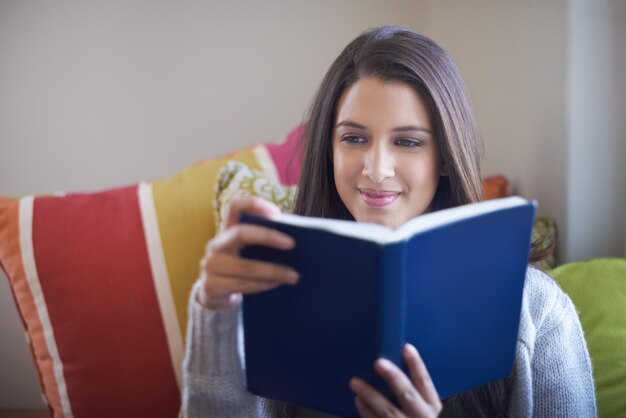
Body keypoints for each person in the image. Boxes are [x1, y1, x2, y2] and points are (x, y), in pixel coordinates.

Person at [183, 26, 596, 417]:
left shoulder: (538, 311)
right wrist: (216, 311)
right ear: (328, 149)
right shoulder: (263, 282)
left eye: (408, 142)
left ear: (447, 159)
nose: (376, 170)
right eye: (354, 138)